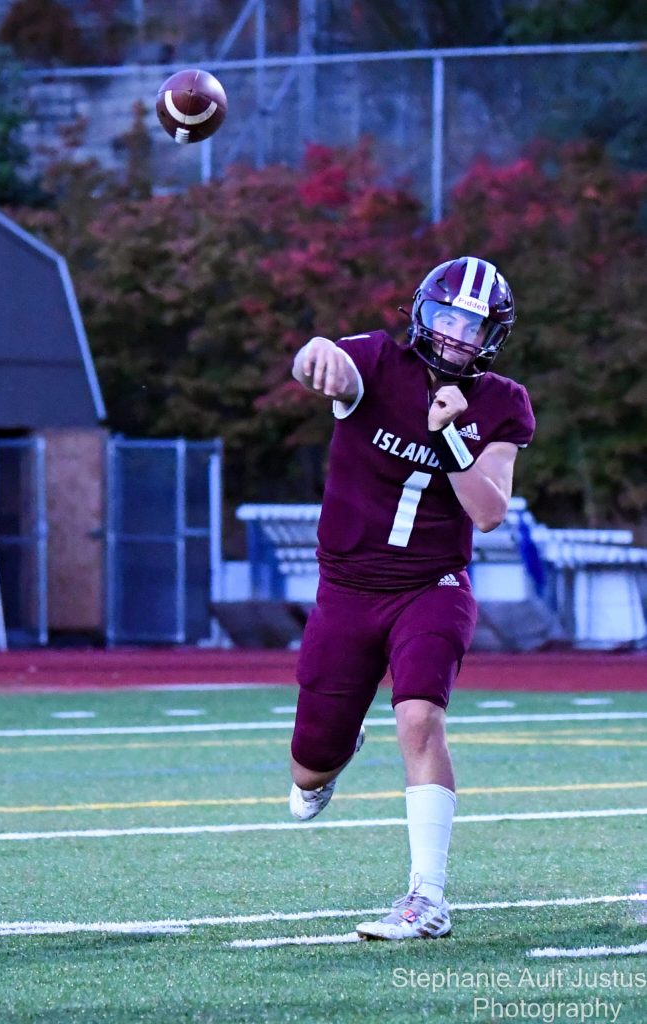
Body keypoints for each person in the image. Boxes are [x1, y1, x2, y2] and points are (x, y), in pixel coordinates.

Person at [287, 256, 535, 941]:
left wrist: (450, 436)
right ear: (424, 314)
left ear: (493, 335)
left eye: (474, 325)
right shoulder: (374, 359)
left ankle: (426, 899)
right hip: (346, 588)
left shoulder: (500, 403)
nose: (458, 335)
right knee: (307, 773)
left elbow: (487, 513)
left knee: (419, 717)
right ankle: (336, 747)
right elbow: (326, 357)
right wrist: (316, 355)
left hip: (432, 585)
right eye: (450, 318)